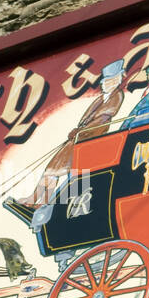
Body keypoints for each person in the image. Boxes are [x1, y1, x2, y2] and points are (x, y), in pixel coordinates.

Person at [16, 59, 125, 211]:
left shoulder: (116, 96)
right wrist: (78, 131)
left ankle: (42, 201)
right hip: (80, 138)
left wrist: (81, 131)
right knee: (52, 168)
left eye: (107, 81)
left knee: (59, 169)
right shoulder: (101, 98)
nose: (103, 84)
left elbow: (102, 120)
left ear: (116, 80)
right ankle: (36, 198)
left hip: (90, 139)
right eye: (104, 81)